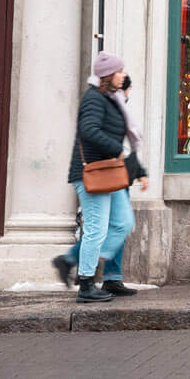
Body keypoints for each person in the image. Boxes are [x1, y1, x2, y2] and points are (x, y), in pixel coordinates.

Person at [66, 52, 146, 303]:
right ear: (109, 75)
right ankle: (86, 284)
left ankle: (83, 261)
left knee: (122, 223)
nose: (123, 75)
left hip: (109, 172)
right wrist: (117, 149)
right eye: (120, 71)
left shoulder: (110, 99)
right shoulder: (94, 99)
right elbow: (88, 130)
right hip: (93, 173)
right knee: (96, 230)